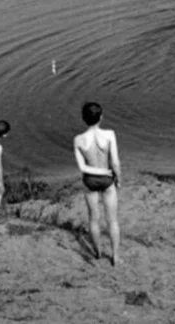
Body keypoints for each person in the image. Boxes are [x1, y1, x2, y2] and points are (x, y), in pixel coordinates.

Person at [73, 102, 121, 266]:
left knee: (93, 218)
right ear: (101, 117)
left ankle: (98, 252)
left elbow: (82, 167)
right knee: (112, 220)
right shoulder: (109, 135)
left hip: (90, 181)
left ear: (84, 119)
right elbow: (115, 162)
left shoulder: (78, 139)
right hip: (107, 180)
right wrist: (117, 179)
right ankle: (115, 256)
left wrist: (98, 172)